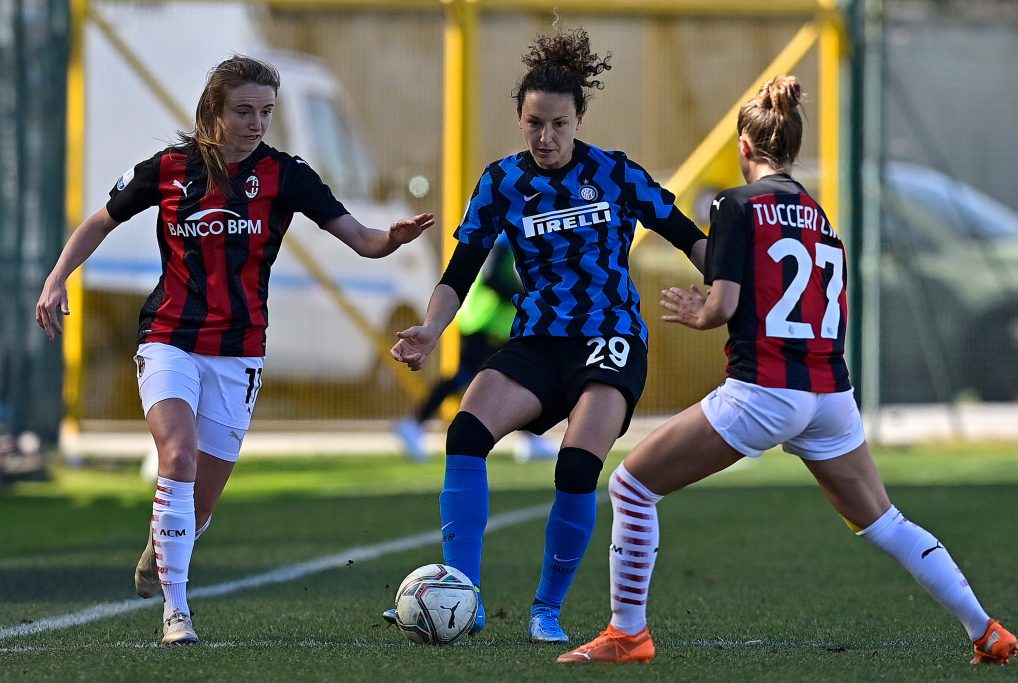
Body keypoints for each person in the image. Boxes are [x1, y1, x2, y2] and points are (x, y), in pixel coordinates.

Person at [557, 76, 1018, 666]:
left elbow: (723, 304)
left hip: (764, 389)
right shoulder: (822, 218)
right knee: (887, 523)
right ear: (794, 149)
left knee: (633, 486)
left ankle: (628, 633)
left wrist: (701, 314)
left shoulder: (733, 203)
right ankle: (985, 630)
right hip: (829, 393)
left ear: (744, 149)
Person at [35, 55, 434, 646]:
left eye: (266, 112)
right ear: (214, 113)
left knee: (197, 507)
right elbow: (100, 220)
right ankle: (177, 612)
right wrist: (57, 278)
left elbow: (358, 236)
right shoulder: (168, 170)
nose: (256, 123)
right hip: (169, 338)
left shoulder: (287, 175)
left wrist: (387, 241)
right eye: (243, 111)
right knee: (177, 455)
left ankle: (162, 544)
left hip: (239, 352)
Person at [386, 27, 707, 643]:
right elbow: (460, 271)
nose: (546, 137)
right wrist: (431, 327)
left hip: (609, 339)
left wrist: (725, 292)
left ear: (579, 119)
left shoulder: (615, 173)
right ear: (519, 119)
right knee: (466, 432)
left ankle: (546, 612)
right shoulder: (502, 182)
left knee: (576, 466)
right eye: (534, 123)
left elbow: (687, 234)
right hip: (537, 341)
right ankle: (464, 596)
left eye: (559, 124)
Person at [393, 235, 558, 462]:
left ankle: (530, 439)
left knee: (516, 378)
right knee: (467, 376)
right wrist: (525, 296)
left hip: (496, 322)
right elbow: (492, 278)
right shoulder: (505, 239)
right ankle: (415, 424)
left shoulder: (516, 237)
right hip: (483, 320)